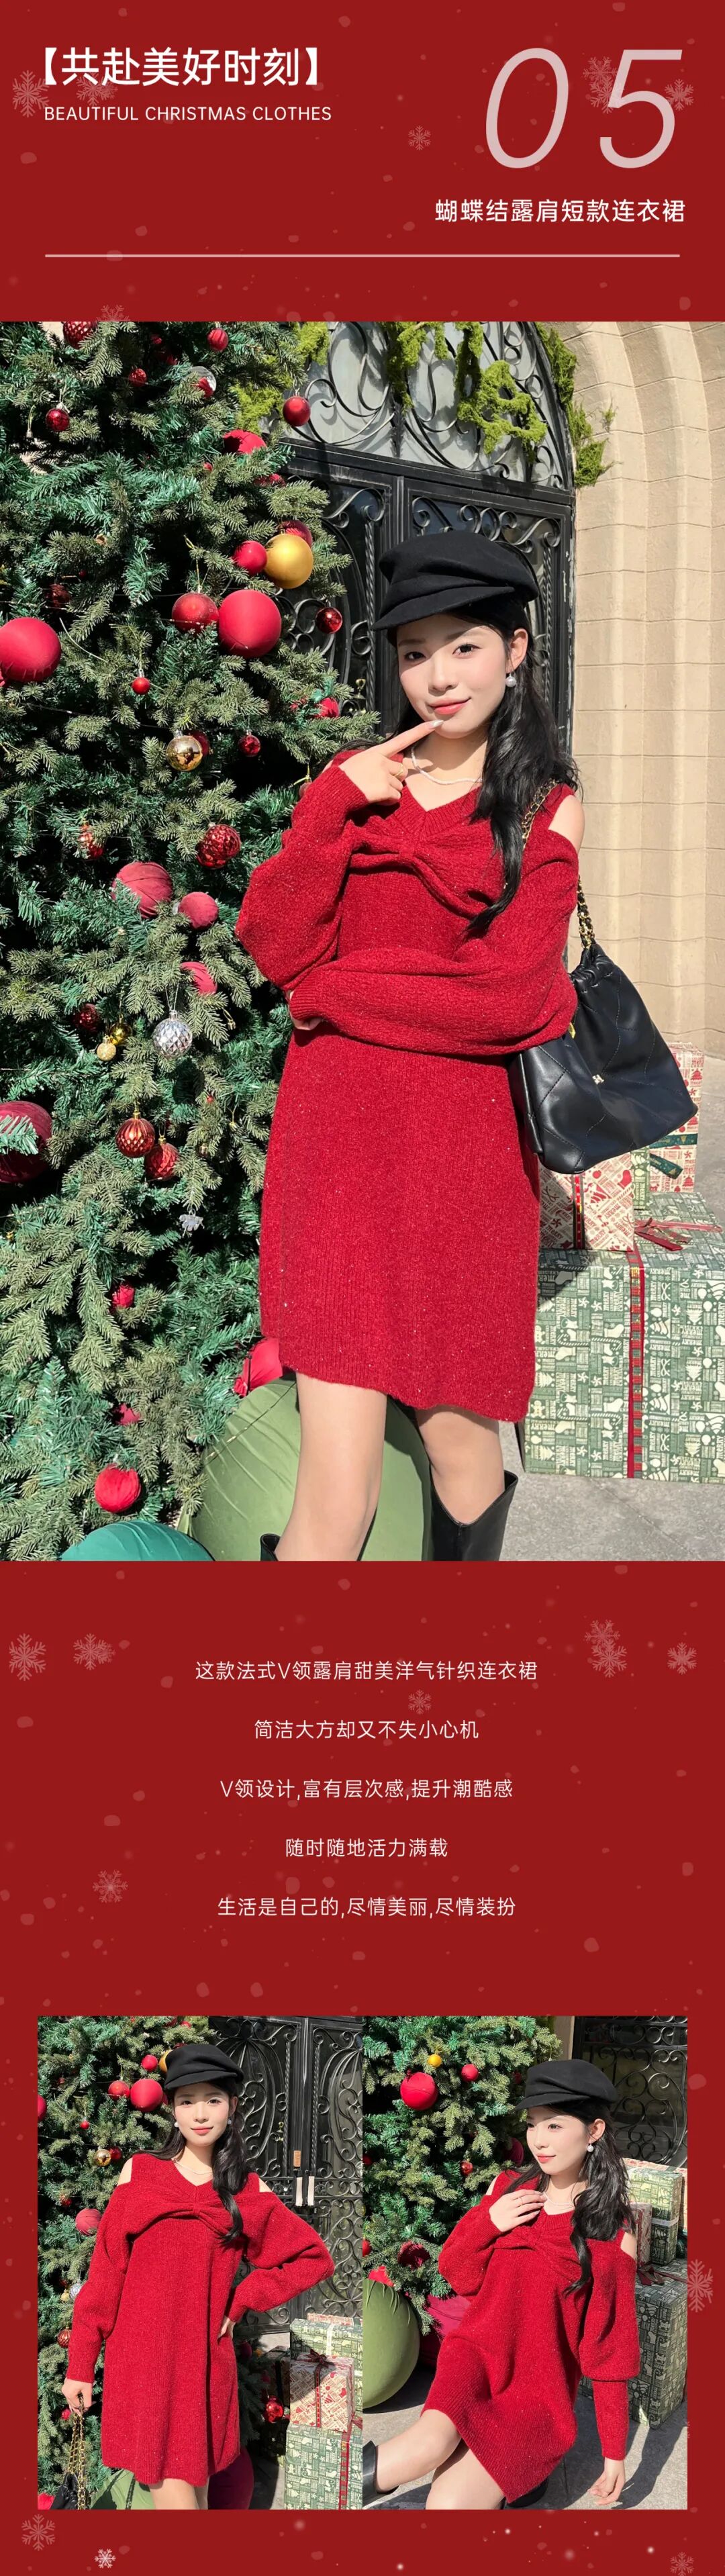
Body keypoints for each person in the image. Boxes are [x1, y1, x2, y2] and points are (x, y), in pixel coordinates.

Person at [236, 529, 584, 1564]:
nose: (438, 676)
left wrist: (334, 992)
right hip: (338, 1157)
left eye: (464, 646)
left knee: (461, 1451)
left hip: (461, 1172)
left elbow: (510, 997)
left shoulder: (546, 807)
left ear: (516, 648)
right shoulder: (356, 787)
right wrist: (331, 805)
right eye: (415, 651)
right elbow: (275, 944)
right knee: (333, 1496)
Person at [62, 2040, 334, 2510]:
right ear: (172, 2109)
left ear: (232, 2105)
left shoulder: (247, 2191)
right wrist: (81, 2364)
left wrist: (244, 2297)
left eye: (213, 2099)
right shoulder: (140, 2173)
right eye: (187, 2101)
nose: (201, 2113)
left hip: (202, 2368)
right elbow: (105, 2278)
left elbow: (314, 2258)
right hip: (143, 2365)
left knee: (198, 2499)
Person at [362, 2058, 640, 2512]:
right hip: (474, 2359)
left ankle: (521, 2474)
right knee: (426, 2446)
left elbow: (609, 2353)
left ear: (594, 2131)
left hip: (537, 2395)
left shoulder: (612, 2236)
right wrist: (489, 2221)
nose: (538, 2139)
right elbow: (458, 2275)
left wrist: (615, 2454)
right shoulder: (508, 2188)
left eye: (554, 2125)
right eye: (532, 2124)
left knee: (447, 2507)